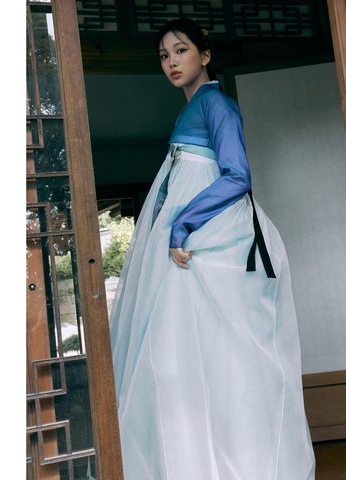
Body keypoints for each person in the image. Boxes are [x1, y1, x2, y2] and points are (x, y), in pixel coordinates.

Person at [108, 17, 316, 479]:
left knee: (220, 355)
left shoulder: (216, 103)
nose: (171, 62)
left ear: (205, 55)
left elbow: (238, 175)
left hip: (211, 239)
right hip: (192, 240)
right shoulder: (189, 110)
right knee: (180, 354)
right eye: (164, 55)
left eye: (181, 50)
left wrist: (183, 223)